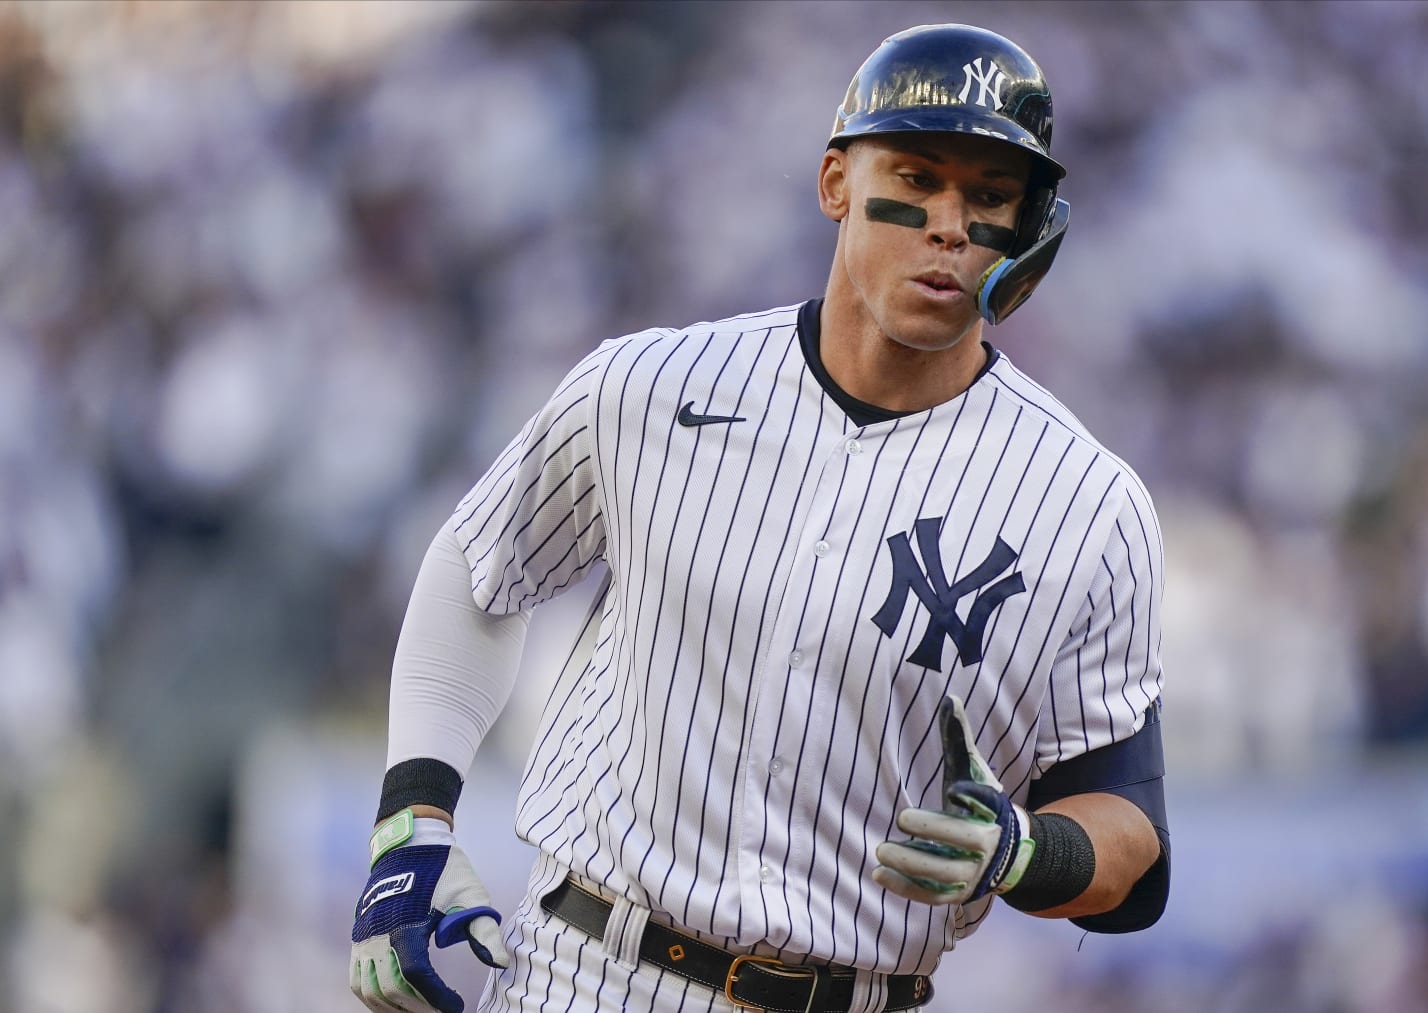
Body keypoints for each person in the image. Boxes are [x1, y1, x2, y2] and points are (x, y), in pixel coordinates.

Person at [349, 23, 1169, 1013]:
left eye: (989, 196)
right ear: (836, 182)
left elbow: (1133, 841)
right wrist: (412, 825)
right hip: (582, 967)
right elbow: (479, 570)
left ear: (1032, 226)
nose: (949, 224)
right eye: (916, 174)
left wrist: (1022, 848)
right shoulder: (648, 385)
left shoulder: (1087, 501)